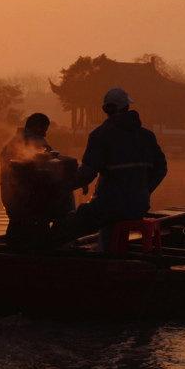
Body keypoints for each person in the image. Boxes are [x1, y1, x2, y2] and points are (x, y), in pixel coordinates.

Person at [69, 87, 168, 250]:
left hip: (109, 206)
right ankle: (112, 252)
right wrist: (144, 190)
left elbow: (86, 174)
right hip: (139, 205)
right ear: (128, 107)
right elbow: (161, 168)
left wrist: (62, 185)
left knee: (69, 223)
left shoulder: (100, 135)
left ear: (105, 109)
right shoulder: (147, 136)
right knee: (104, 221)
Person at [0, 112, 78, 247]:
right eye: (44, 130)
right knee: (64, 202)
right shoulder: (25, 144)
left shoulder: (25, 142)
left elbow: (54, 160)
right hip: (23, 201)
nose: (45, 134)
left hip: (18, 201)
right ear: (35, 127)